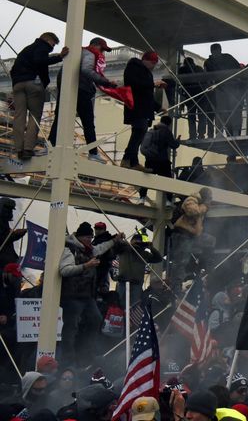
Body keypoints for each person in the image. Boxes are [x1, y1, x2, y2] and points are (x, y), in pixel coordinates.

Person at [58, 222, 123, 368]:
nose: (90, 239)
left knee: (96, 319)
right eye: (88, 237)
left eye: (91, 237)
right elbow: (64, 270)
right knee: (71, 327)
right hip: (72, 296)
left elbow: (101, 247)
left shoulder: (89, 250)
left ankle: (86, 353)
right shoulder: (70, 249)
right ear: (80, 237)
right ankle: (68, 361)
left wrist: (114, 240)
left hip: (87, 295)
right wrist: (86, 266)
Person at [48, 37, 117, 162]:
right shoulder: (90, 53)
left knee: (60, 118)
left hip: (67, 89)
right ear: (96, 45)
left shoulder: (76, 53)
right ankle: (93, 153)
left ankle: (50, 146)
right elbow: (86, 70)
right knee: (88, 123)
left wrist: (62, 89)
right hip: (81, 90)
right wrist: (105, 82)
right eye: (102, 49)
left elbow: (61, 75)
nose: (102, 53)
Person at [10, 32, 69, 160]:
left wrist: (16, 82)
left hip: (18, 85)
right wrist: (59, 57)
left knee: (19, 116)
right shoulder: (42, 47)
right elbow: (40, 61)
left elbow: (12, 70)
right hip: (34, 83)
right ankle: (28, 149)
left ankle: (18, 149)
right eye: (53, 44)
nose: (52, 48)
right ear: (48, 40)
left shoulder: (25, 50)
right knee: (34, 116)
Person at [123, 51, 167, 171]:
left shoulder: (147, 73)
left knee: (139, 134)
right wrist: (153, 84)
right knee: (139, 132)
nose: (153, 66)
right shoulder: (133, 67)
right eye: (152, 63)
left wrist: (158, 107)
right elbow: (134, 84)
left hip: (142, 109)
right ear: (146, 60)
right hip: (136, 108)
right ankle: (127, 159)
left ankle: (133, 161)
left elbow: (147, 95)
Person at [170, 187, 213, 287]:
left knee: (210, 241)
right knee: (181, 261)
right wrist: (205, 206)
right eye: (209, 198)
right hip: (182, 233)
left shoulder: (200, 204)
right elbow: (192, 211)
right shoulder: (192, 199)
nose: (210, 200)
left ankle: (203, 265)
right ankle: (176, 285)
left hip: (191, 235)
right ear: (205, 196)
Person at [204, 44, 244, 137]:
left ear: (220, 50)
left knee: (233, 111)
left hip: (231, 88)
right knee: (222, 112)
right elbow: (206, 76)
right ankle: (220, 133)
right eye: (214, 52)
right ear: (211, 52)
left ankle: (234, 132)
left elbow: (238, 69)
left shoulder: (227, 58)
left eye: (217, 51)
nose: (216, 54)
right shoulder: (208, 62)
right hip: (220, 90)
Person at [116, 230, 162, 309]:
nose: (137, 244)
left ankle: (131, 317)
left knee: (134, 306)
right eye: (135, 242)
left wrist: (151, 248)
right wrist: (122, 241)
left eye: (139, 242)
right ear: (131, 242)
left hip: (136, 284)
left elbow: (158, 259)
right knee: (120, 305)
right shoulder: (124, 249)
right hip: (123, 282)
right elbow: (116, 246)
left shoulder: (143, 253)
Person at [139, 115, 181, 201]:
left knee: (147, 180)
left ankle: (142, 197)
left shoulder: (152, 130)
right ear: (169, 124)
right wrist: (178, 141)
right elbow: (173, 145)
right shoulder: (166, 132)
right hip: (162, 161)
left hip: (150, 160)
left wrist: (150, 154)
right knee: (168, 181)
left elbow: (144, 146)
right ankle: (169, 200)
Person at [178, 57, 212, 139]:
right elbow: (206, 81)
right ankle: (201, 134)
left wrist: (181, 103)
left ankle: (192, 135)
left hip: (190, 95)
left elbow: (181, 85)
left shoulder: (182, 70)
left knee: (191, 117)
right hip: (202, 95)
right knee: (202, 116)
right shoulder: (199, 69)